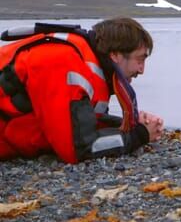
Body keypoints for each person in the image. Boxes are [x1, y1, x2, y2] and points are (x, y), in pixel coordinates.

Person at [0, 17, 164, 164]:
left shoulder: (87, 63)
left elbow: (83, 122)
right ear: (115, 55)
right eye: (140, 59)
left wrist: (132, 124)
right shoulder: (63, 61)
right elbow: (77, 149)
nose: (142, 70)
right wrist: (138, 136)